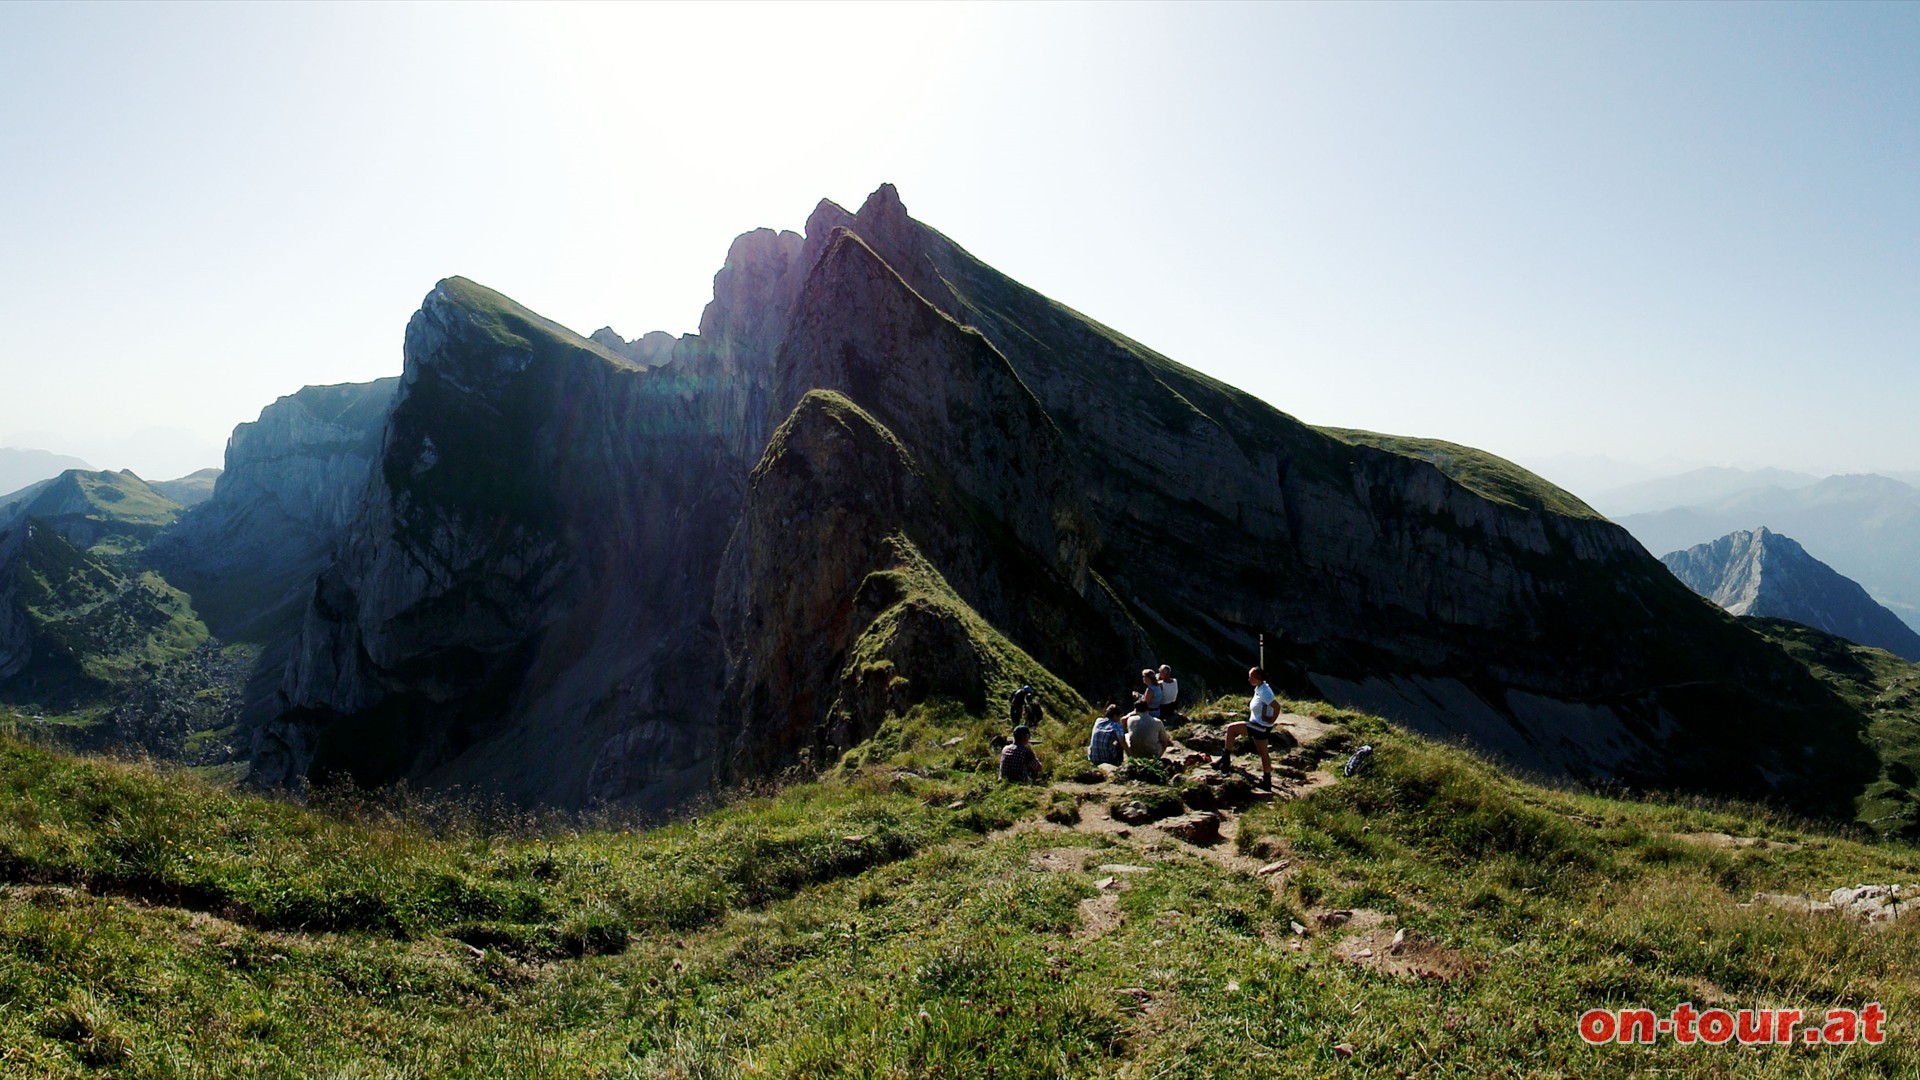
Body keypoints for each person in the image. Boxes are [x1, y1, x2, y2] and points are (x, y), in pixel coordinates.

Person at [1217, 666, 1279, 788]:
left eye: (1251, 677)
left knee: (1231, 728)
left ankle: (1225, 760)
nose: (1249, 679)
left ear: (1258, 678)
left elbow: (1276, 706)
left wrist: (1271, 720)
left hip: (1259, 726)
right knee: (1263, 753)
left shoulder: (1265, 691)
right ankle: (1267, 780)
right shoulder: (1260, 687)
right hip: (1260, 726)